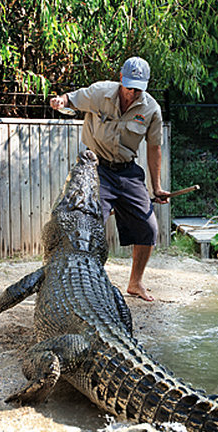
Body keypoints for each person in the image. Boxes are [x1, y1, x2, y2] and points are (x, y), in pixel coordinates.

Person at [49, 56, 170, 301]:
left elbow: (154, 148)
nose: (132, 93)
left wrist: (156, 187)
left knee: (148, 227)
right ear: (121, 79)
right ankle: (83, 283)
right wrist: (61, 100)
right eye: (129, 87)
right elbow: (72, 98)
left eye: (138, 89)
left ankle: (135, 283)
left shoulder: (151, 109)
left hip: (127, 171)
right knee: (89, 227)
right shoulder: (100, 92)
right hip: (96, 169)